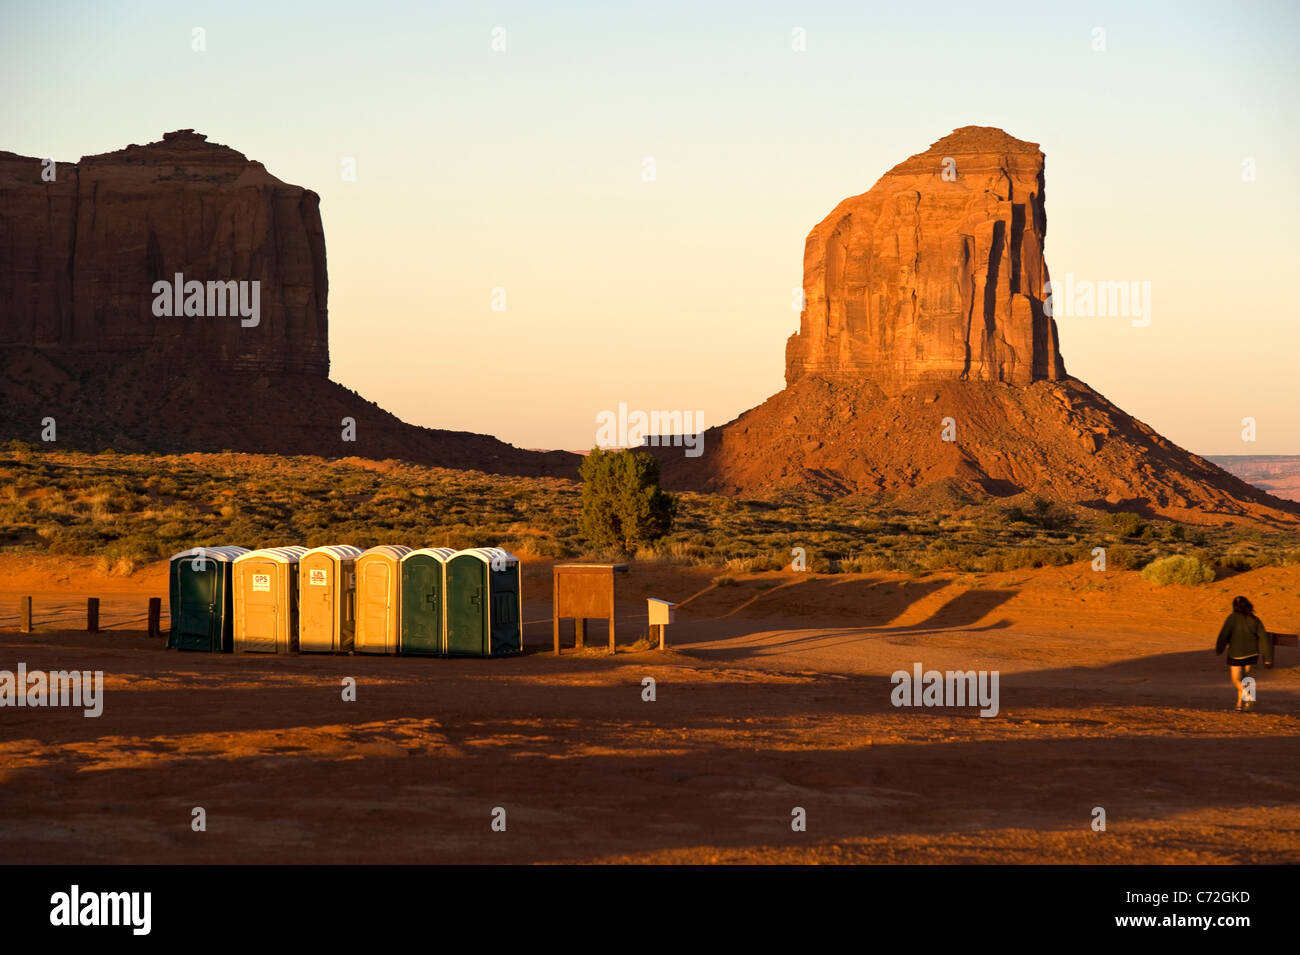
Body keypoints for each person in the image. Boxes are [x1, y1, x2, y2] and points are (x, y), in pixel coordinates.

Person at [1215, 596, 1273, 711]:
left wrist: (1219, 649)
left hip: (1236, 654)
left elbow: (1224, 635)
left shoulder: (1231, 618)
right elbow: (1264, 639)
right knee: (1246, 679)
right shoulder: (1255, 619)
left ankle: (1249, 696)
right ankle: (1240, 705)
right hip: (1252, 654)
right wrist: (1268, 658)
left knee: (1236, 679)